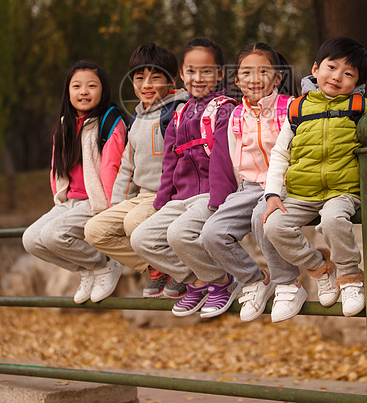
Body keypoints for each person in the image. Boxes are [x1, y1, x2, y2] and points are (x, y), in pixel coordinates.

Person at [260, 37, 367, 320]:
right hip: (302, 193)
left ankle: (351, 278)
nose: (338, 77)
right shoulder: (297, 109)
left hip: (342, 191)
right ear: (316, 69)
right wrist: (272, 194)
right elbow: (280, 153)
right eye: (332, 67)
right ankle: (319, 267)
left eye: (349, 73)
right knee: (273, 225)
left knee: (332, 220)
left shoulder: (359, 107)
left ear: (357, 82)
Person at [131, 37, 239, 318]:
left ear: (220, 73)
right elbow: (170, 163)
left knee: (178, 233)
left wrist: (218, 201)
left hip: (213, 196)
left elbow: (222, 160)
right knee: (142, 238)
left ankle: (222, 282)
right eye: (191, 71)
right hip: (182, 196)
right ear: (182, 73)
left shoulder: (225, 109)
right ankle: (197, 280)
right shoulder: (179, 114)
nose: (198, 78)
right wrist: (161, 202)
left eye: (206, 71)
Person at [199, 42, 302, 323]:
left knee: (262, 217)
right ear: (236, 79)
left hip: (283, 184)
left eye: (263, 71)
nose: (254, 79)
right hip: (248, 187)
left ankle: (287, 282)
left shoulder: (292, 107)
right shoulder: (236, 115)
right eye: (246, 73)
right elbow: (232, 158)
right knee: (212, 233)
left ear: (278, 77)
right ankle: (255, 280)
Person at [84, 43, 188, 299]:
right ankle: (158, 266)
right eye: (139, 78)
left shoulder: (178, 111)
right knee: (94, 230)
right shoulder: (138, 117)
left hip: (168, 195)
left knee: (133, 224)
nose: (146, 85)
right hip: (141, 197)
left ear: (171, 80)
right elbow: (126, 167)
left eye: (155, 77)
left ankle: (182, 269)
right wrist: (116, 205)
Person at [22, 61, 127, 303]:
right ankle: (87, 270)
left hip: (96, 202)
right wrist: (59, 200)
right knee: (31, 239)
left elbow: (113, 167)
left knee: (53, 235)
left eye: (92, 85)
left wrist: (113, 210)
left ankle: (106, 265)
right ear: (68, 92)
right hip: (69, 201)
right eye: (77, 86)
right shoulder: (63, 126)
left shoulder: (110, 121)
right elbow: (56, 169)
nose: (84, 92)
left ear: (103, 90)